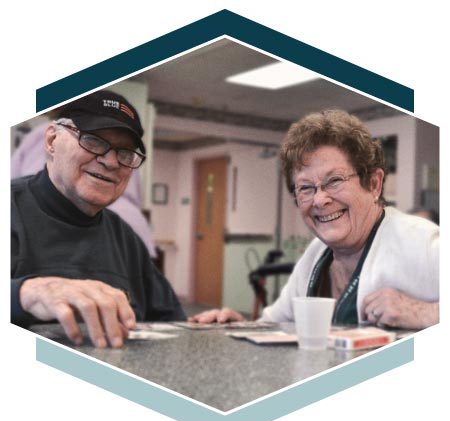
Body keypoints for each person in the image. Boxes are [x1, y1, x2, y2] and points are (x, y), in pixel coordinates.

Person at [190, 110, 439, 330]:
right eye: (306, 188)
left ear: (373, 184)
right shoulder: (316, 255)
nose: (319, 200)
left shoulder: (424, 243)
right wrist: (240, 327)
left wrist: (425, 312)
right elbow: (276, 325)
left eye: (334, 181)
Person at [11, 90, 186, 348]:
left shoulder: (125, 238)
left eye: (125, 153)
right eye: (93, 141)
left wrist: (206, 327)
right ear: (51, 140)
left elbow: (170, 320)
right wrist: (26, 293)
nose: (111, 161)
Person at [11, 108, 157, 258]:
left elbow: (13, 181)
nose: (111, 162)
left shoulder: (42, 135)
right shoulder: (127, 151)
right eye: (93, 141)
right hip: (132, 228)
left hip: (63, 229)